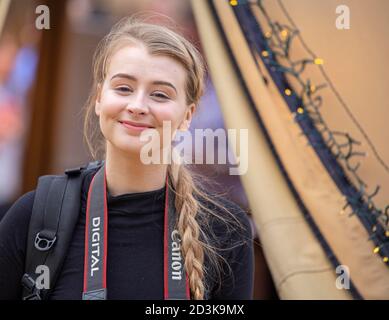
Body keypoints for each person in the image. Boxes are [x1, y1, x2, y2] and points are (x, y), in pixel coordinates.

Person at [0, 16, 254, 300]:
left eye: (160, 94)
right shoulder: (36, 216)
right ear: (99, 99)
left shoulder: (226, 230)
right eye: (123, 88)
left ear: (187, 116)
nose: (137, 106)